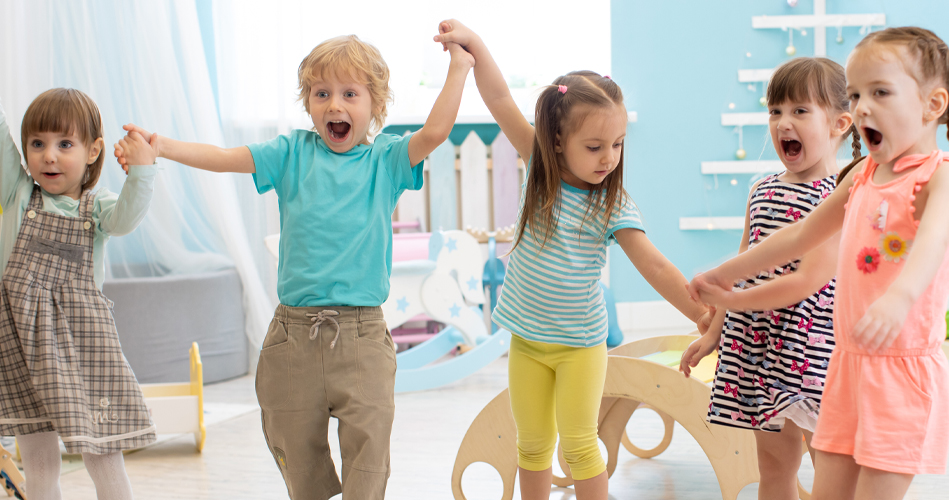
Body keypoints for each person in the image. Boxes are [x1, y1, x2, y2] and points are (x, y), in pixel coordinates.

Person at [115, 34, 473, 500]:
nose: (334, 105)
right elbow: (225, 160)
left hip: (361, 335)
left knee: (370, 449)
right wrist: (162, 147)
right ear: (307, 103)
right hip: (294, 334)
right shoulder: (291, 153)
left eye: (349, 94)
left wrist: (459, 68)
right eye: (321, 94)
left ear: (375, 104)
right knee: (291, 441)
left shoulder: (385, 160)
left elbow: (436, 132)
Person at [434, 19, 712, 500]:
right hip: (527, 340)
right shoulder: (539, 166)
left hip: (580, 345)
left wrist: (705, 318)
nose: (609, 157)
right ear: (558, 140)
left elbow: (656, 267)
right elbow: (500, 100)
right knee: (533, 445)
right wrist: (475, 44)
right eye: (595, 146)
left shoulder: (614, 204)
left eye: (618, 144)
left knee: (581, 444)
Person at [690, 27, 949, 500]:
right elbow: (800, 235)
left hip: (897, 369)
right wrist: (724, 276)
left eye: (880, 92)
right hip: (846, 366)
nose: (863, 106)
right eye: (856, 94)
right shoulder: (862, 176)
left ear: (933, 105)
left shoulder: (939, 178)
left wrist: (901, 296)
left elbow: (933, 243)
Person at [679, 57, 859, 500]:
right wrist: (714, 334)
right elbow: (743, 265)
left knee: (832, 465)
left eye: (799, 111)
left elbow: (820, 277)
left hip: (815, 349)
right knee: (774, 465)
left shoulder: (845, 192)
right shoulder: (761, 189)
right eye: (775, 111)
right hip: (758, 348)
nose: (782, 123)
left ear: (840, 123)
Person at [0, 89, 158, 500]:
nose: (49, 155)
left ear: (93, 151)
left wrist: (142, 171)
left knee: (101, 449)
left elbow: (126, 220)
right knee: (37, 457)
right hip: (21, 344)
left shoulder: (97, 207)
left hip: (81, 346)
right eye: (37, 144)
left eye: (64, 144)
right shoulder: (18, 194)